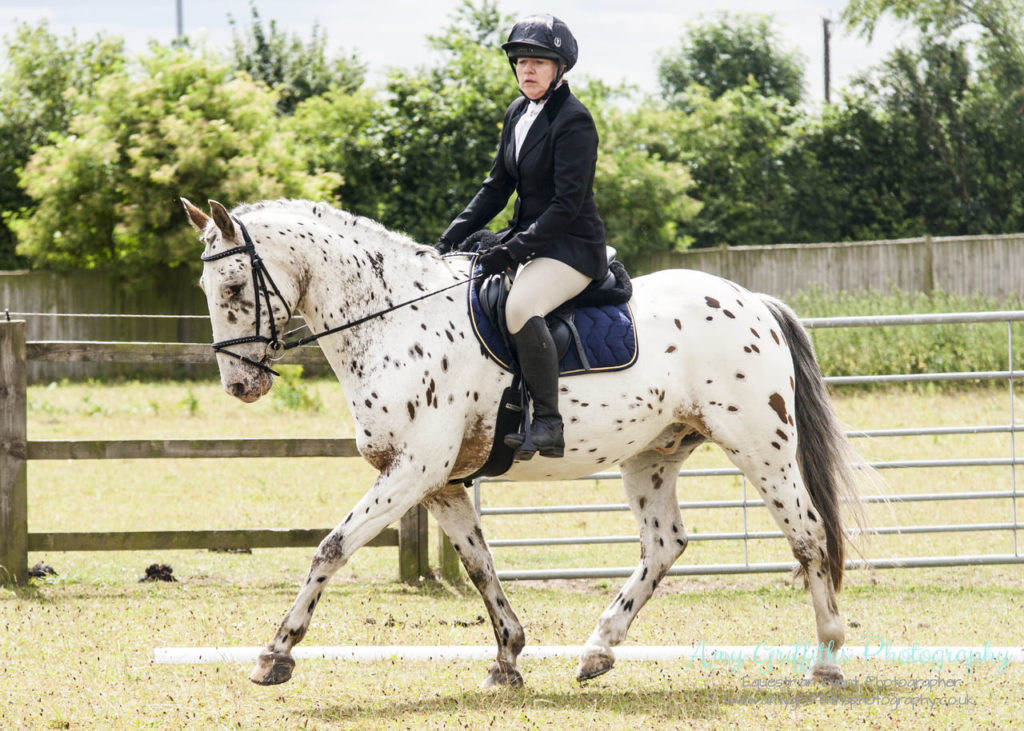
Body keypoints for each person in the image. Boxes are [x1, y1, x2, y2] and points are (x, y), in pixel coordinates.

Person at [436, 14, 608, 460]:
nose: (527, 70)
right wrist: (449, 239)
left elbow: (566, 205)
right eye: (521, 61)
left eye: (538, 62)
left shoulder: (575, 121)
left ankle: (549, 422)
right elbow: (497, 186)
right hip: (531, 239)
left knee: (519, 306)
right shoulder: (516, 113)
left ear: (559, 68)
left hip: (570, 247)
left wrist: (514, 250)